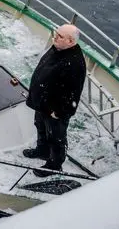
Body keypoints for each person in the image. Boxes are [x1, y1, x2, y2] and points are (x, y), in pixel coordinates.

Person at [23, 24, 87, 177]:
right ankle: (42, 150)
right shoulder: (58, 48)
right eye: (55, 33)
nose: (55, 37)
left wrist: (58, 112)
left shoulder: (74, 63)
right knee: (40, 126)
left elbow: (73, 92)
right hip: (43, 104)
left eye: (60, 36)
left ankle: (55, 164)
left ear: (71, 41)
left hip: (55, 110)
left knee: (56, 137)